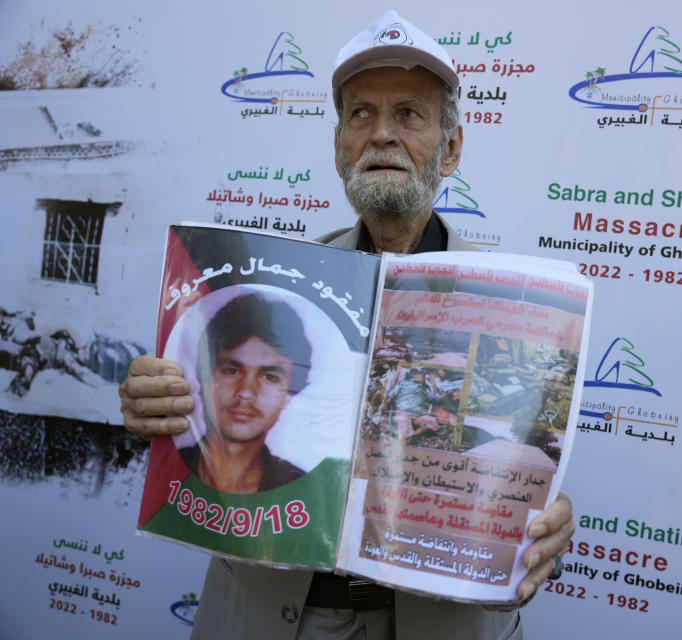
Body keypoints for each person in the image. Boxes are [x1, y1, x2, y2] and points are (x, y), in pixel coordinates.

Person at [119, 10, 574, 639]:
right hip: (265, 612)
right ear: (339, 145)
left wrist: (537, 529)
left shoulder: (519, 312)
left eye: (410, 113)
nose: (382, 134)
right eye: (361, 114)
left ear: (453, 147)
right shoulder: (267, 292)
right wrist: (163, 401)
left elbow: (521, 484)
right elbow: (202, 424)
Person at [179, 293, 310, 494]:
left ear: (288, 396)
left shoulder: (302, 490)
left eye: (270, 377)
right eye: (232, 370)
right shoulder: (166, 465)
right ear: (205, 378)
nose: (246, 393)